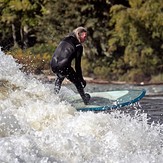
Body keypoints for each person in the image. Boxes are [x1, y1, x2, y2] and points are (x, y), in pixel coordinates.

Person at [50, 26, 90, 105]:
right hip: (64, 66)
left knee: (60, 77)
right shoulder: (78, 46)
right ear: (78, 34)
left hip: (53, 64)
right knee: (77, 82)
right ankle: (85, 99)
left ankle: (53, 98)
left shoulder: (65, 39)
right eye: (84, 37)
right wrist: (81, 79)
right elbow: (77, 66)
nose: (85, 39)